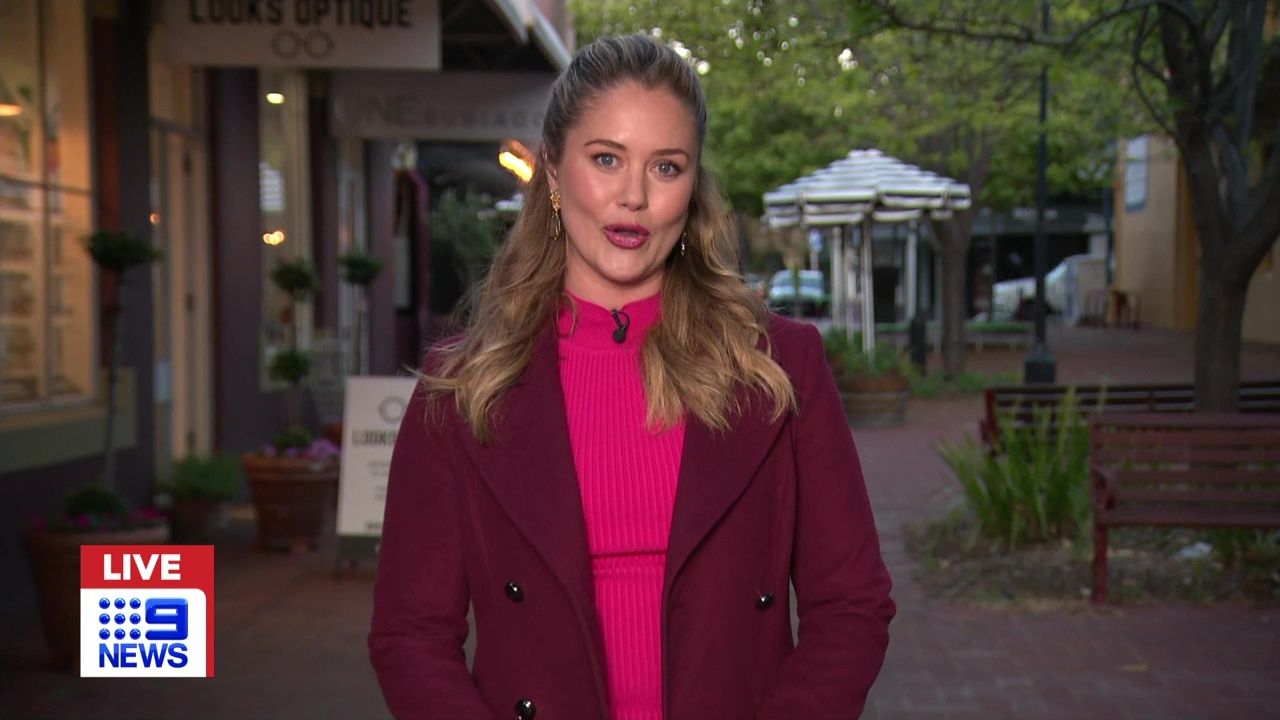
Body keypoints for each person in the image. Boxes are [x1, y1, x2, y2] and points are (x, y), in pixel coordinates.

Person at [369, 33, 895, 720]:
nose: (635, 196)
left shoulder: (779, 367)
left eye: (666, 167)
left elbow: (852, 605)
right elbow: (410, 634)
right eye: (606, 159)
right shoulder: (463, 387)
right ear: (552, 172)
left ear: (692, 187)